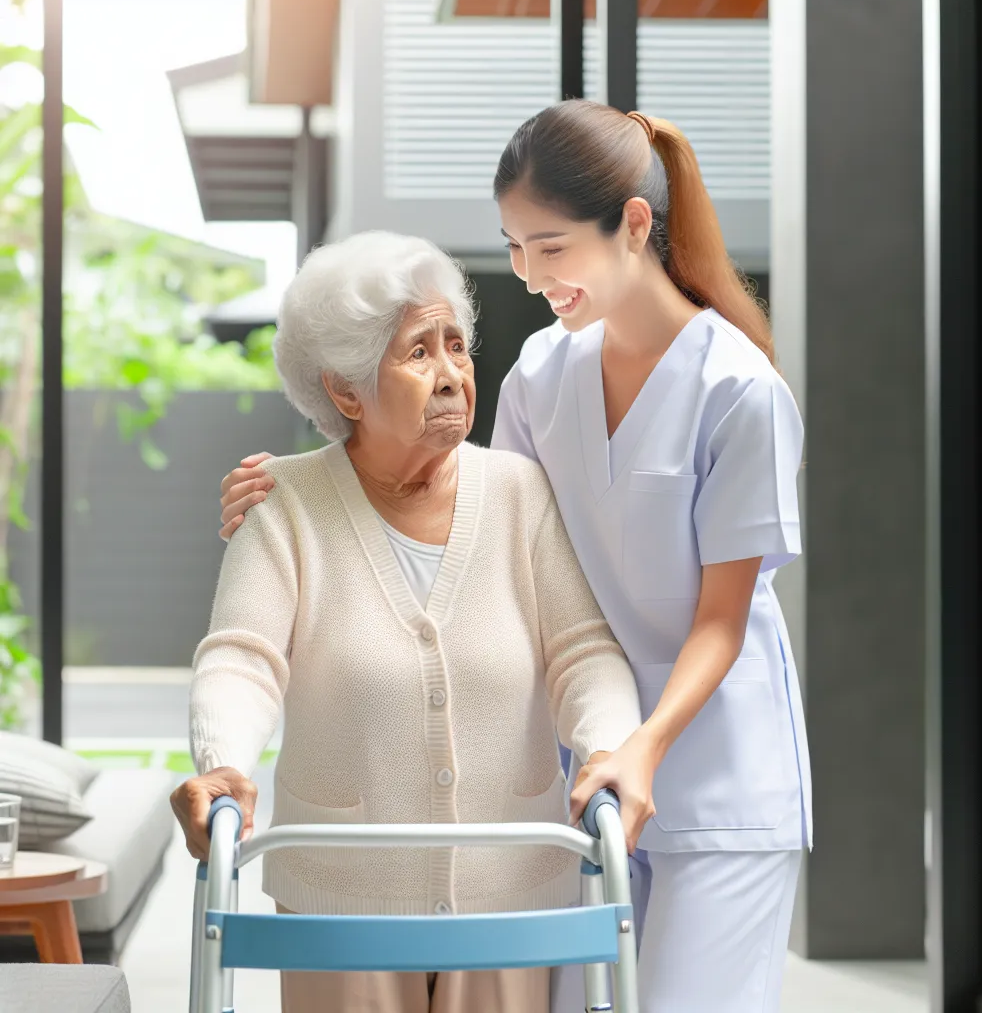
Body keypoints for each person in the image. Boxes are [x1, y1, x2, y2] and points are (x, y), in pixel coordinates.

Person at [218, 100, 811, 1013]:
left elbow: (723, 619)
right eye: (515, 246)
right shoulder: (542, 370)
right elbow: (479, 524)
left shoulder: (739, 391)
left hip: (715, 776)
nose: (530, 276)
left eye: (551, 246)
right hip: (582, 783)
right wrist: (298, 486)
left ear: (635, 226)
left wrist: (643, 745)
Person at [172, 229, 643, 1013]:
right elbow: (240, 659)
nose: (454, 374)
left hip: (511, 894)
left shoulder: (521, 493)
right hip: (341, 899)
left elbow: (583, 653)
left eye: (456, 344)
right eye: (418, 352)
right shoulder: (283, 504)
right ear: (347, 391)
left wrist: (607, 748)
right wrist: (225, 763)